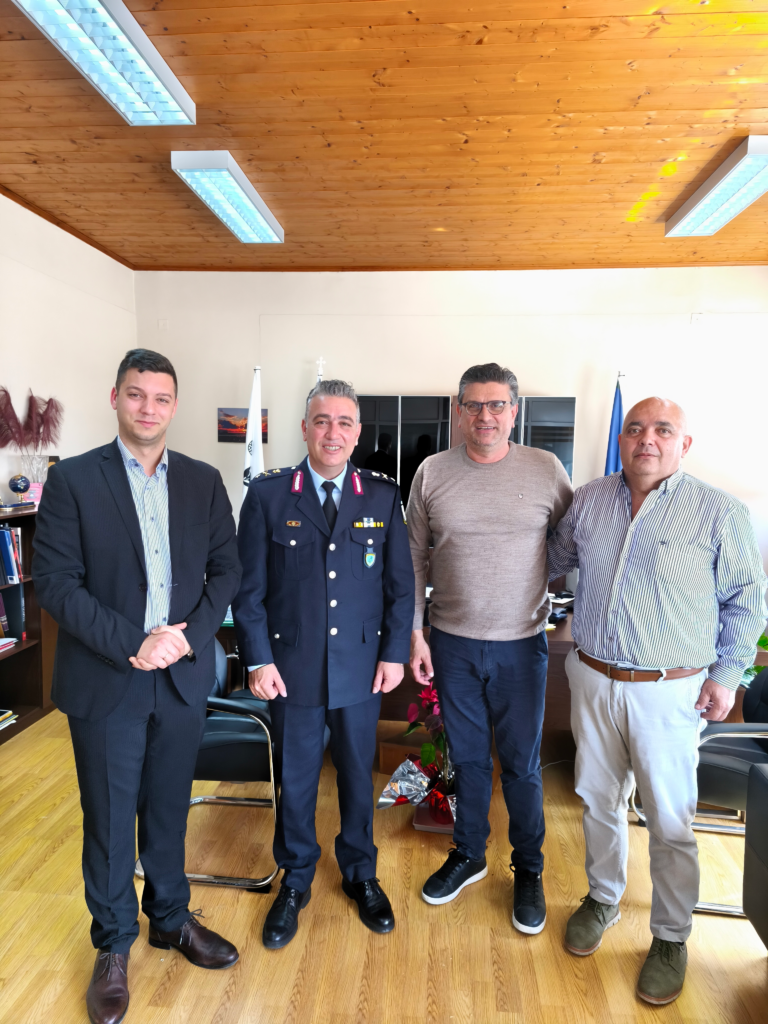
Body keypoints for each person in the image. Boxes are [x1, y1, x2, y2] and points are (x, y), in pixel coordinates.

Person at [32, 349, 242, 1024]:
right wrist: (135, 642)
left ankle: (171, 919)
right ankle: (114, 944)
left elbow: (226, 571)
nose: (148, 408)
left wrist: (186, 637)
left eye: (161, 397)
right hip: (107, 678)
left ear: (174, 405)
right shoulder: (72, 481)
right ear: (115, 398)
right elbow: (57, 584)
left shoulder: (204, 481)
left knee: (169, 809)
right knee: (109, 819)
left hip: (180, 678)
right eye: (136, 394)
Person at [548, 396, 767, 1006]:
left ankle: (671, 936)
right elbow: (553, 559)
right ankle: (603, 898)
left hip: (670, 691)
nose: (647, 438)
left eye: (663, 430)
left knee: (670, 819)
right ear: (622, 439)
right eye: (635, 428)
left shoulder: (720, 511)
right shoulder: (589, 500)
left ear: (683, 444)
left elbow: (747, 601)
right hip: (592, 678)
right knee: (598, 800)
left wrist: (726, 676)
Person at [233, 378, 415, 950]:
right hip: (291, 670)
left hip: (361, 670)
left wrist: (394, 653)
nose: (332, 432)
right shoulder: (268, 496)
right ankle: (296, 878)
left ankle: (361, 872)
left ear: (357, 432)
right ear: (305, 428)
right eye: (321, 421)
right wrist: (258, 660)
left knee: (359, 775)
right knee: (296, 777)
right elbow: (248, 592)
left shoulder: (381, 496)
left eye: (344, 422)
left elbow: (400, 589)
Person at [408, 362, 573, 933]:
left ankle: (528, 868)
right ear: (459, 411)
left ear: (513, 411)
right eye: (474, 405)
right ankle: (469, 853)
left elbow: (571, 542)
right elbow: (413, 559)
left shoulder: (546, 469)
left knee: (522, 766)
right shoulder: (431, 472)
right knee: (469, 760)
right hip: (451, 645)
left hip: (521, 647)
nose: (486, 415)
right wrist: (415, 633)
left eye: (497, 404)